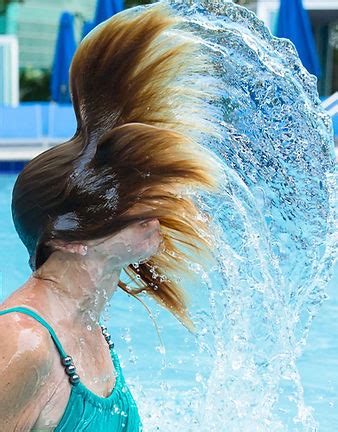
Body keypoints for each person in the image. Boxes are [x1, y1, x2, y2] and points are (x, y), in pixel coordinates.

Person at [0, 1, 222, 431]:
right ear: (67, 238)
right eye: (119, 196)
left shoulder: (89, 329)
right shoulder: (23, 343)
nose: (148, 204)